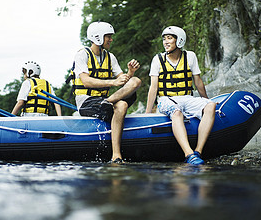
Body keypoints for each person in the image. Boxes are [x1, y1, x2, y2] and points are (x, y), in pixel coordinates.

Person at [145, 26, 216, 165]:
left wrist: (207, 100)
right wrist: (148, 113)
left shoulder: (190, 56)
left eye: (169, 38)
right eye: (164, 39)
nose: (165, 42)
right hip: (166, 99)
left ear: (180, 41)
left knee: (211, 106)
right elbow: (153, 88)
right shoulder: (157, 59)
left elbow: (198, 82)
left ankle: (198, 151)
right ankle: (188, 154)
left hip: (187, 98)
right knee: (176, 113)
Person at [72, 21, 141, 163]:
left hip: (104, 101)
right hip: (87, 101)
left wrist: (130, 72)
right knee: (120, 105)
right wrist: (112, 82)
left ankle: (116, 155)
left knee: (135, 83)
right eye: (108, 36)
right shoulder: (82, 55)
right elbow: (86, 81)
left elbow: (124, 81)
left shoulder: (110, 57)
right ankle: (108, 102)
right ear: (97, 37)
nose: (111, 39)